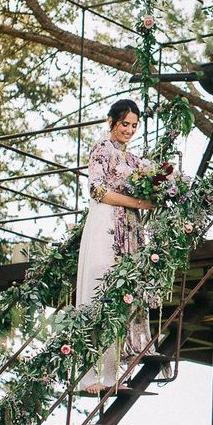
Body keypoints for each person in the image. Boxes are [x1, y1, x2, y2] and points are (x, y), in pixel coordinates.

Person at [75, 99, 156, 394]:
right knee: (99, 292)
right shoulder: (101, 149)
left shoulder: (134, 161)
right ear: (111, 122)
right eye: (125, 124)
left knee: (121, 297)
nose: (129, 130)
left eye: (134, 126)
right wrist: (138, 202)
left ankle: (112, 375)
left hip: (130, 229)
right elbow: (97, 190)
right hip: (106, 224)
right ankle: (86, 376)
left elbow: (155, 179)